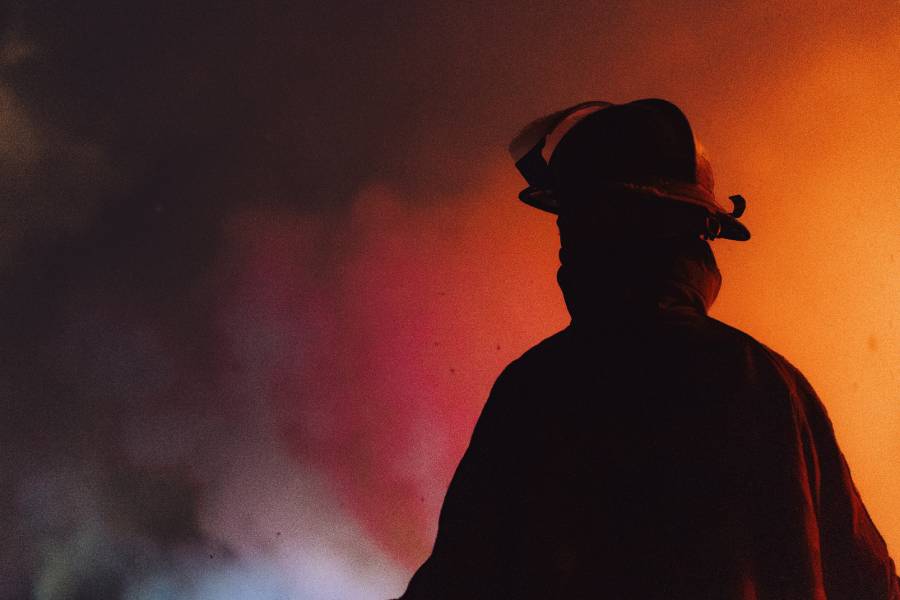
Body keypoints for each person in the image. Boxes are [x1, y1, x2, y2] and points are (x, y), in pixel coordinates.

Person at [398, 99, 899, 599]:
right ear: (700, 234)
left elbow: (458, 581)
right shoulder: (772, 386)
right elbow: (869, 584)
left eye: (575, 223)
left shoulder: (537, 389)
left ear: (613, 226)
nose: (566, 246)